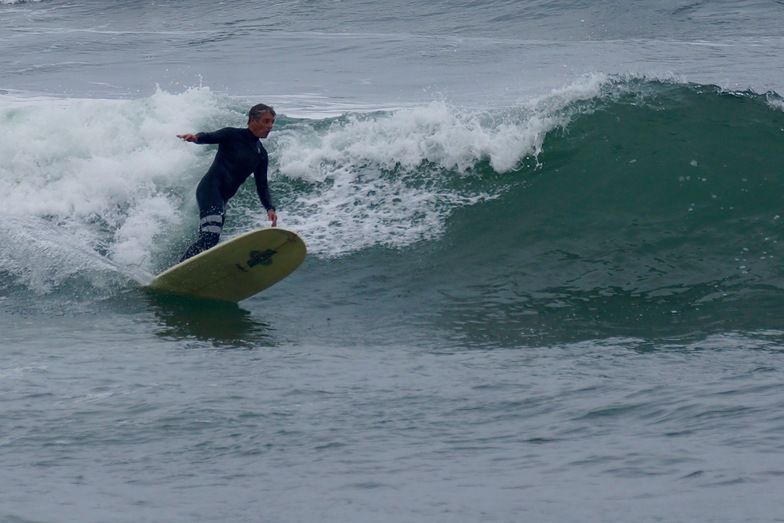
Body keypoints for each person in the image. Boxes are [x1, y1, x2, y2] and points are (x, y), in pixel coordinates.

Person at [177, 103, 279, 262]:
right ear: (253, 120)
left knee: (209, 239)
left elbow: (262, 185)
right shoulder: (232, 135)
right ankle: (181, 268)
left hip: (223, 198)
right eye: (266, 121)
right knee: (211, 235)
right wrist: (196, 138)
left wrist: (269, 207)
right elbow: (210, 136)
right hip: (210, 190)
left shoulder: (261, 154)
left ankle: (187, 266)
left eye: (272, 122)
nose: (270, 126)